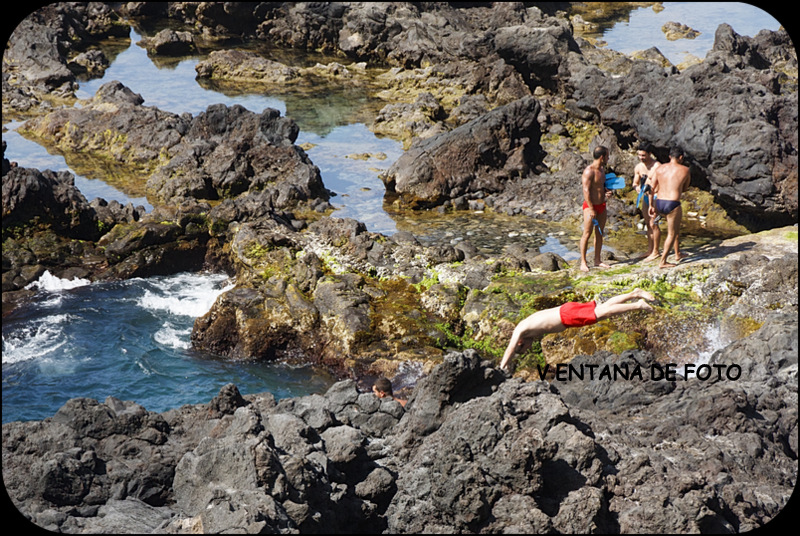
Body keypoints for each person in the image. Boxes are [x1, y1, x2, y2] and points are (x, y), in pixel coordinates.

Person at [499, 288, 655, 372]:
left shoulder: (520, 330)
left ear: (520, 343)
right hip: (565, 310)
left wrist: (502, 368)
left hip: (566, 316)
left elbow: (510, 349)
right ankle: (634, 293)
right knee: (603, 309)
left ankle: (638, 305)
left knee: (603, 312)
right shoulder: (526, 326)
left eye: (525, 348)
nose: (528, 348)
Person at [648, 147, 691, 268]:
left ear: (669, 157)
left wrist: (651, 205)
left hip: (659, 202)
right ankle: (663, 261)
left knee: (667, 228)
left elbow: (651, 187)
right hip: (672, 203)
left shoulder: (660, 168)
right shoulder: (685, 170)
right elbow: (685, 188)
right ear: (681, 157)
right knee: (672, 233)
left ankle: (678, 254)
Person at [579, 146, 613, 272]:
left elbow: (602, 186)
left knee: (600, 233)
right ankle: (583, 261)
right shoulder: (589, 171)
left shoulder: (602, 170)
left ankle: (597, 260)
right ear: (602, 157)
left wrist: (608, 192)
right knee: (587, 234)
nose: (608, 158)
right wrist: (592, 208)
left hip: (602, 205)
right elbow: (586, 190)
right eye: (607, 156)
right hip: (590, 206)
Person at [632, 143, 661, 262]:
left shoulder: (657, 166)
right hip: (645, 197)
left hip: (656, 197)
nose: (641, 157)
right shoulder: (638, 167)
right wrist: (637, 188)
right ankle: (650, 249)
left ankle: (656, 251)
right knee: (648, 224)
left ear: (650, 154)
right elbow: (635, 183)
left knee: (654, 223)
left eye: (643, 155)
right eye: (639, 155)